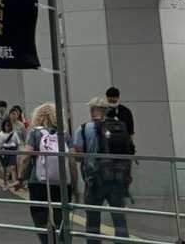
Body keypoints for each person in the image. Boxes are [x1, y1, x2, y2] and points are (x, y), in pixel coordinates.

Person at [74, 96, 133, 244]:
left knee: (93, 220)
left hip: (94, 181)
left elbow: (78, 157)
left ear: (92, 110)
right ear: (106, 110)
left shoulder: (83, 129)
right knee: (119, 219)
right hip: (118, 179)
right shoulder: (120, 126)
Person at [20, 102, 70, 244]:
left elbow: (26, 157)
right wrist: (72, 184)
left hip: (38, 181)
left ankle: (47, 241)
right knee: (61, 218)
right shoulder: (64, 134)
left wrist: (20, 177)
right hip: (61, 182)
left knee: (39, 217)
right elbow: (72, 161)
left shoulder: (35, 133)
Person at [0, 105, 27, 188]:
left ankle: (20, 181)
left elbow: (24, 137)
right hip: (8, 147)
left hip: (19, 145)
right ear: (9, 114)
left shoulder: (21, 125)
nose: (13, 116)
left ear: (18, 115)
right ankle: (13, 181)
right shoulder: (6, 123)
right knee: (10, 167)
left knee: (20, 163)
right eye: (12, 114)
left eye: (15, 114)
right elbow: (2, 135)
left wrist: (24, 146)